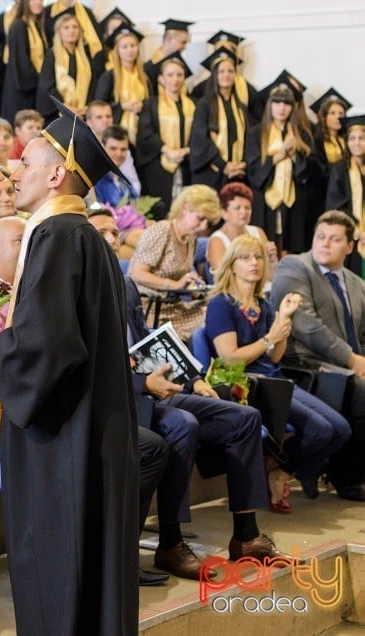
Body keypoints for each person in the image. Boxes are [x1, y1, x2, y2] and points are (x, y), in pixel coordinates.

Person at [0, 97, 138, 634]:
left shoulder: (56, 235)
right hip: (92, 424)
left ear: (56, 174)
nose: (13, 170)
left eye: (26, 161)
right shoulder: (87, 238)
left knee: (59, 554)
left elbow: (49, 344)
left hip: (64, 430)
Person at [88, 208, 290, 582]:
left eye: (115, 233)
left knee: (244, 418)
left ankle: (246, 537)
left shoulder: (126, 284)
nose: (112, 240)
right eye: (101, 233)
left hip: (156, 385)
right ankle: (170, 542)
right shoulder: (81, 289)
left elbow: (148, 342)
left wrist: (194, 377)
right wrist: (143, 385)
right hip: (123, 398)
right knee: (183, 423)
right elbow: (88, 366)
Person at [206, 235, 351, 504]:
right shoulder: (221, 304)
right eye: (246, 258)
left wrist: (283, 320)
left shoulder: (265, 304)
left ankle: (279, 470)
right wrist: (270, 338)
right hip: (247, 386)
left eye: (259, 257)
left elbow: (275, 358)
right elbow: (231, 359)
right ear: (231, 265)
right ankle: (280, 470)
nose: (254, 263)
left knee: (340, 429)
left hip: (275, 380)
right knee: (320, 429)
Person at [271, 211, 365, 501]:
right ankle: (346, 476)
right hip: (304, 364)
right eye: (320, 237)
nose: (325, 244)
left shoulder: (355, 282)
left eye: (335, 239)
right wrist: (353, 360)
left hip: (346, 365)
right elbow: (306, 325)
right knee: (361, 388)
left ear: (350, 247)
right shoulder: (295, 266)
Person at [129, 185, 222, 341]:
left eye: (208, 221)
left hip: (175, 307)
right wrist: (176, 285)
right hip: (152, 311)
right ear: (185, 209)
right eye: (200, 218)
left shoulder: (190, 239)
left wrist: (195, 287)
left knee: (220, 310)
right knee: (215, 318)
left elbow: (181, 278)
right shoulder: (161, 231)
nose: (204, 226)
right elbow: (137, 274)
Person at [246, 78, 313, 254]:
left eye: (287, 103)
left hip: (293, 199)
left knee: (290, 246)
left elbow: (308, 172)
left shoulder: (302, 133)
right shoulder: (256, 133)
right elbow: (253, 170)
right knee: (265, 247)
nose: (281, 108)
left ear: (293, 107)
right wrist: (280, 154)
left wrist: (295, 155)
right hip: (265, 198)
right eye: (277, 102)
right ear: (269, 105)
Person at [135, 52, 194, 218]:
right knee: (161, 210)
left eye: (179, 75)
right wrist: (168, 151)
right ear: (161, 79)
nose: (175, 79)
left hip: (186, 164)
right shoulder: (152, 104)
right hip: (158, 166)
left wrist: (186, 150)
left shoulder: (193, 104)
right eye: (170, 75)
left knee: (184, 209)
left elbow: (198, 133)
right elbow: (146, 134)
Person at [189, 48, 249, 192]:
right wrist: (223, 165)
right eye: (221, 71)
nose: (226, 75)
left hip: (237, 173)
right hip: (211, 173)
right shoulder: (205, 105)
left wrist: (242, 164)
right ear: (214, 75)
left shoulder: (241, 107)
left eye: (230, 71)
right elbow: (200, 140)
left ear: (235, 75)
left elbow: (247, 138)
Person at [92, 125, 144, 259]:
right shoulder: (94, 178)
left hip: (129, 235)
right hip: (106, 236)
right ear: (102, 147)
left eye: (123, 149)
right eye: (113, 148)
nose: (119, 154)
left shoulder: (125, 182)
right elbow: (95, 213)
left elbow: (137, 210)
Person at [207, 182, 277, 280]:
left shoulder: (258, 232)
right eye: (237, 208)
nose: (244, 212)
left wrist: (272, 260)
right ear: (224, 213)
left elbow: (270, 276)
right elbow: (223, 278)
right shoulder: (217, 240)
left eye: (247, 207)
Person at [93, 23, 148, 145]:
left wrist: (141, 106)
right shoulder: (109, 76)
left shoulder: (144, 78)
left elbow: (150, 105)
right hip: (115, 133)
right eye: (124, 47)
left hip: (141, 132)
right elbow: (99, 106)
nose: (130, 50)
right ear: (117, 51)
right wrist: (123, 106)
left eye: (133, 46)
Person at [36, 9, 93, 121]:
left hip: (82, 113)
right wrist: (64, 106)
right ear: (59, 32)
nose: (71, 31)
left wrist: (86, 107)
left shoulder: (85, 57)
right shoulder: (52, 54)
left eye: (75, 27)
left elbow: (92, 85)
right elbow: (47, 85)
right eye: (66, 27)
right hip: (57, 113)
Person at [326, 114, 365, 276]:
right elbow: (335, 205)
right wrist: (358, 229)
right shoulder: (340, 169)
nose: (356, 143)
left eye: (362, 138)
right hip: (351, 236)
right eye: (352, 139)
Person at [0, 0, 44, 123]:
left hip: (32, 85)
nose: (38, 2)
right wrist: (40, 80)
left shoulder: (36, 25)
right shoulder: (19, 25)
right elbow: (22, 62)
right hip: (21, 87)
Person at [142, 18, 191, 93]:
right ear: (170, 39)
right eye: (183, 42)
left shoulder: (180, 65)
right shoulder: (148, 68)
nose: (185, 47)